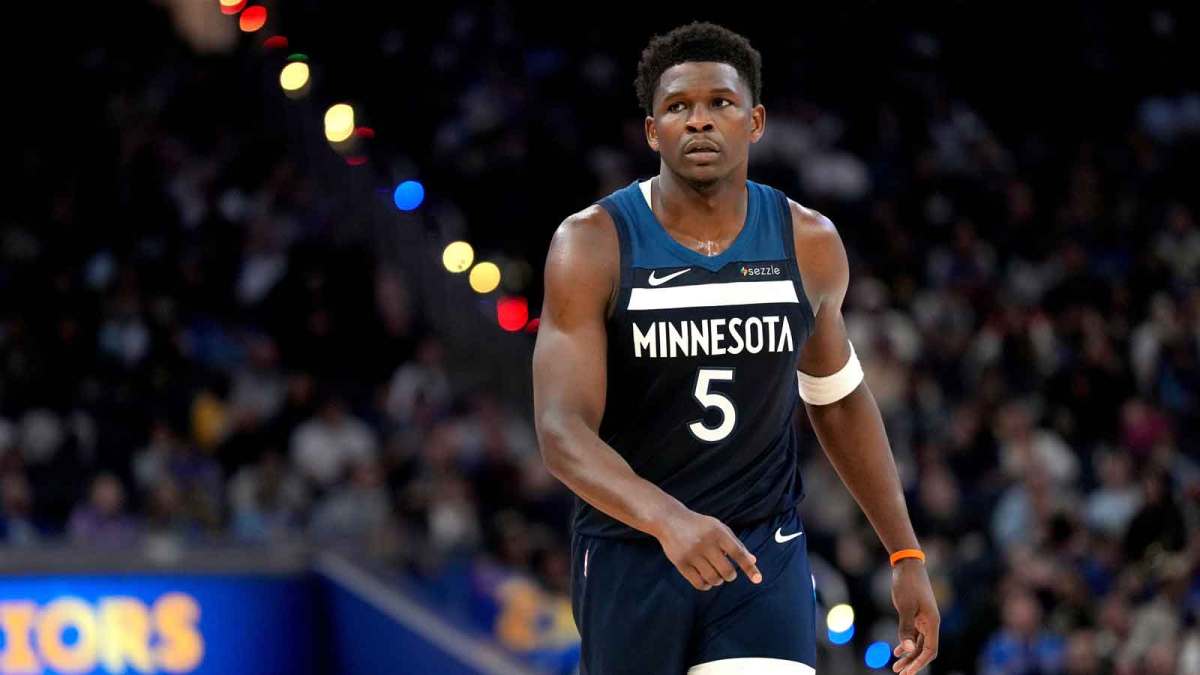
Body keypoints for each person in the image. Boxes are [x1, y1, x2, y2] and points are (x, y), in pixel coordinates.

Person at [532, 21, 939, 675]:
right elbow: (561, 430)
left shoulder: (807, 240)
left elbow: (835, 400)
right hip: (631, 548)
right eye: (677, 107)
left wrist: (905, 554)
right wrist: (669, 519)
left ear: (754, 122)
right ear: (651, 131)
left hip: (761, 547)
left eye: (719, 103)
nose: (699, 122)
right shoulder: (593, 243)